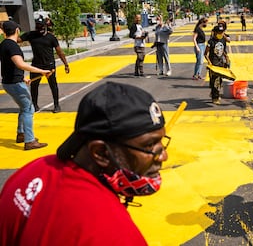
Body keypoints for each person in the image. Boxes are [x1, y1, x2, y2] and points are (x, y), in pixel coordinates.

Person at [0, 82, 169, 245]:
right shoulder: (114, 233)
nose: (163, 156)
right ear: (100, 153)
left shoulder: (34, 169)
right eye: (149, 145)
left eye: (161, 143)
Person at [0, 21, 51, 150]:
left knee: (24, 108)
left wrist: (22, 77)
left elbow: (9, 66)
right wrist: (41, 71)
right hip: (14, 84)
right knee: (29, 109)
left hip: (10, 81)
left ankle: (21, 134)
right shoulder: (12, 46)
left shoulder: (4, 44)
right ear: (17, 30)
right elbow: (20, 64)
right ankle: (30, 141)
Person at [20, 18, 70, 113]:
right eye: (38, 26)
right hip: (36, 65)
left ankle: (56, 105)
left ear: (45, 26)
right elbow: (16, 39)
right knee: (34, 85)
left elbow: (59, 52)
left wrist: (66, 64)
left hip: (49, 65)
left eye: (41, 26)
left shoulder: (51, 38)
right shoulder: (31, 35)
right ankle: (34, 104)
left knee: (53, 85)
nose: (39, 28)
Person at [205, 23, 229, 105]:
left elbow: (224, 51)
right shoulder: (211, 41)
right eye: (219, 33)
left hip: (221, 63)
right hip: (213, 64)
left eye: (222, 32)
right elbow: (205, 54)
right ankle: (215, 97)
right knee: (214, 81)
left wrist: (227, 59)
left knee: (220, 81)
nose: (220, 34)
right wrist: (209, 63)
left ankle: (213, 93)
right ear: (215, 33)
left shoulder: (223, 40)